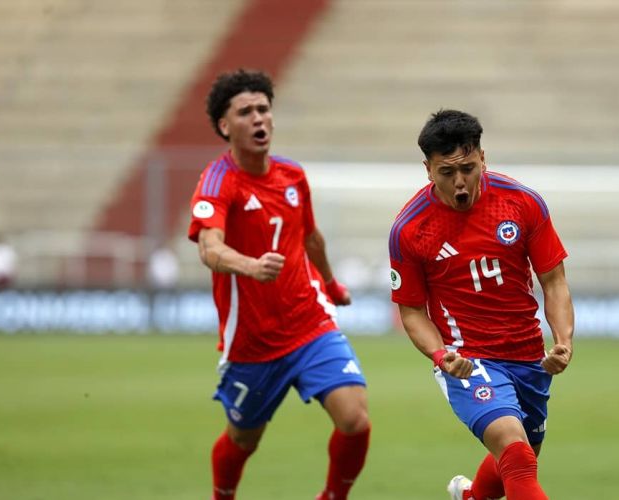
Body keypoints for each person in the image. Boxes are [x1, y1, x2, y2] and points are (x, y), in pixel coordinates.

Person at [187, 69, 370, 500]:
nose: (258, 119)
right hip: (253, 342)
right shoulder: (217, 182)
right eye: (245, 112)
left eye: (264, 109)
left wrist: (330, 283)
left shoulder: (292, 175)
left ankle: (331, 497)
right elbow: (209, 249)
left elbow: (311, 237)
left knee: (355, 419)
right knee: (243, 439)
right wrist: (250, 266)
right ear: (224, 126)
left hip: (309, 323)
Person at [388, 109, 574, 500]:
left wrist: (563, 340)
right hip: (469, 361)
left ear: (483, 158)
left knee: (521, 457)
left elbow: (553, 281)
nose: (459, 183)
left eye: (468, 168)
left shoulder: (521, 203)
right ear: (427, 169)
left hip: (528, 357)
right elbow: (411, 311)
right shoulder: (410, 229)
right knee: (517, 453)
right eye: (446, 172)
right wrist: (441, 356)